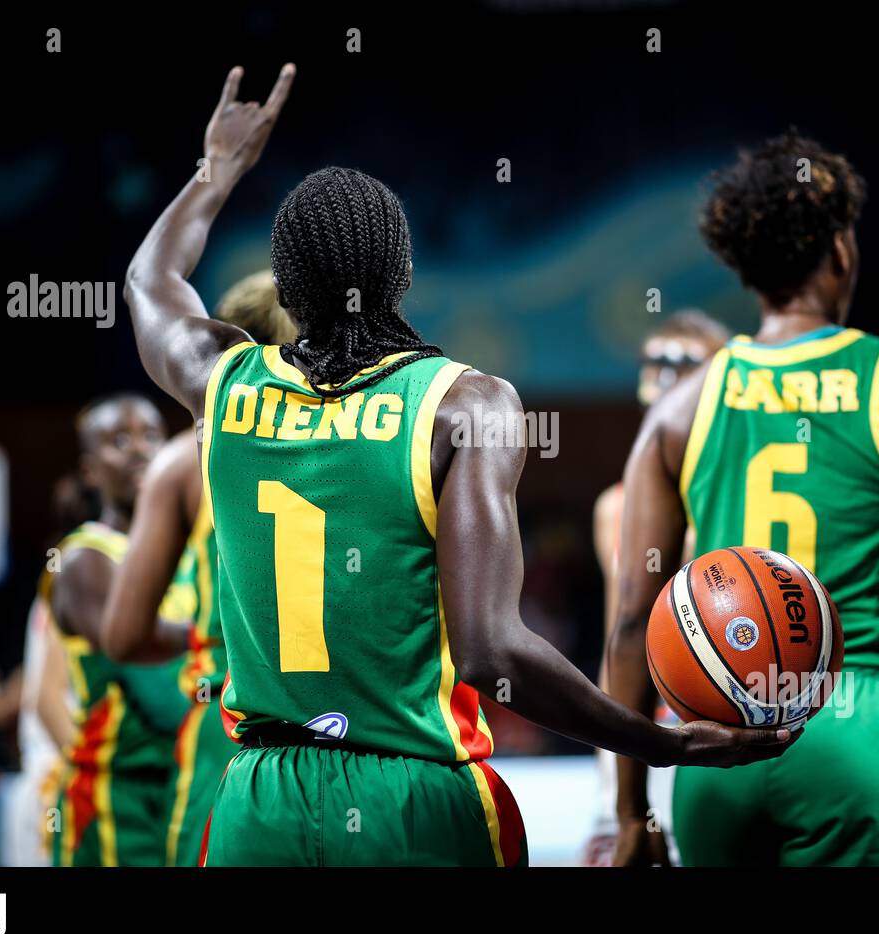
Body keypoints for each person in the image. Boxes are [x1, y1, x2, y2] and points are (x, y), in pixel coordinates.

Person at [122, 64, 793, 866]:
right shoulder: (463, 405)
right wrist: (661, 743)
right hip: (413, 799)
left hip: (257, 804)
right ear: (403, 277)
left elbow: (149, 279)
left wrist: (216, 169)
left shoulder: (221, 383)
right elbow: (489, 653)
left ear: (288, 291)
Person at [608, 130, 879, 866]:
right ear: (842, 250)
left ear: (749, 271)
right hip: (859, 729)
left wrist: (632, 813)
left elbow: (632, 620)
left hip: (714, 745)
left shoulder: (680, 408)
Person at [101, 271, 295, 866]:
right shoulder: (368, 432)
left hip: (231, 716)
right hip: (356, 724)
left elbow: (124, 634)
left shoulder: (188, 459)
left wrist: (208, 640)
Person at [585, 309, 730, 865]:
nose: (666, 379)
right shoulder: (616, 507)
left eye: (681, 367)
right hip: (637, 725)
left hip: (719, 726)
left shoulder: (729, 500)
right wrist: (611, 750)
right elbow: (617, 635)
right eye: (657, 366)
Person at [41, 395, 194, 866]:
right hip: (114, 794)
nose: (139, 450)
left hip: (181, 783)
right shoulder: (85, 558)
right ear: (90, 470)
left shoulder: (188, 552)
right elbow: (149, 678)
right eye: (119, 441)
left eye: (151, 436)